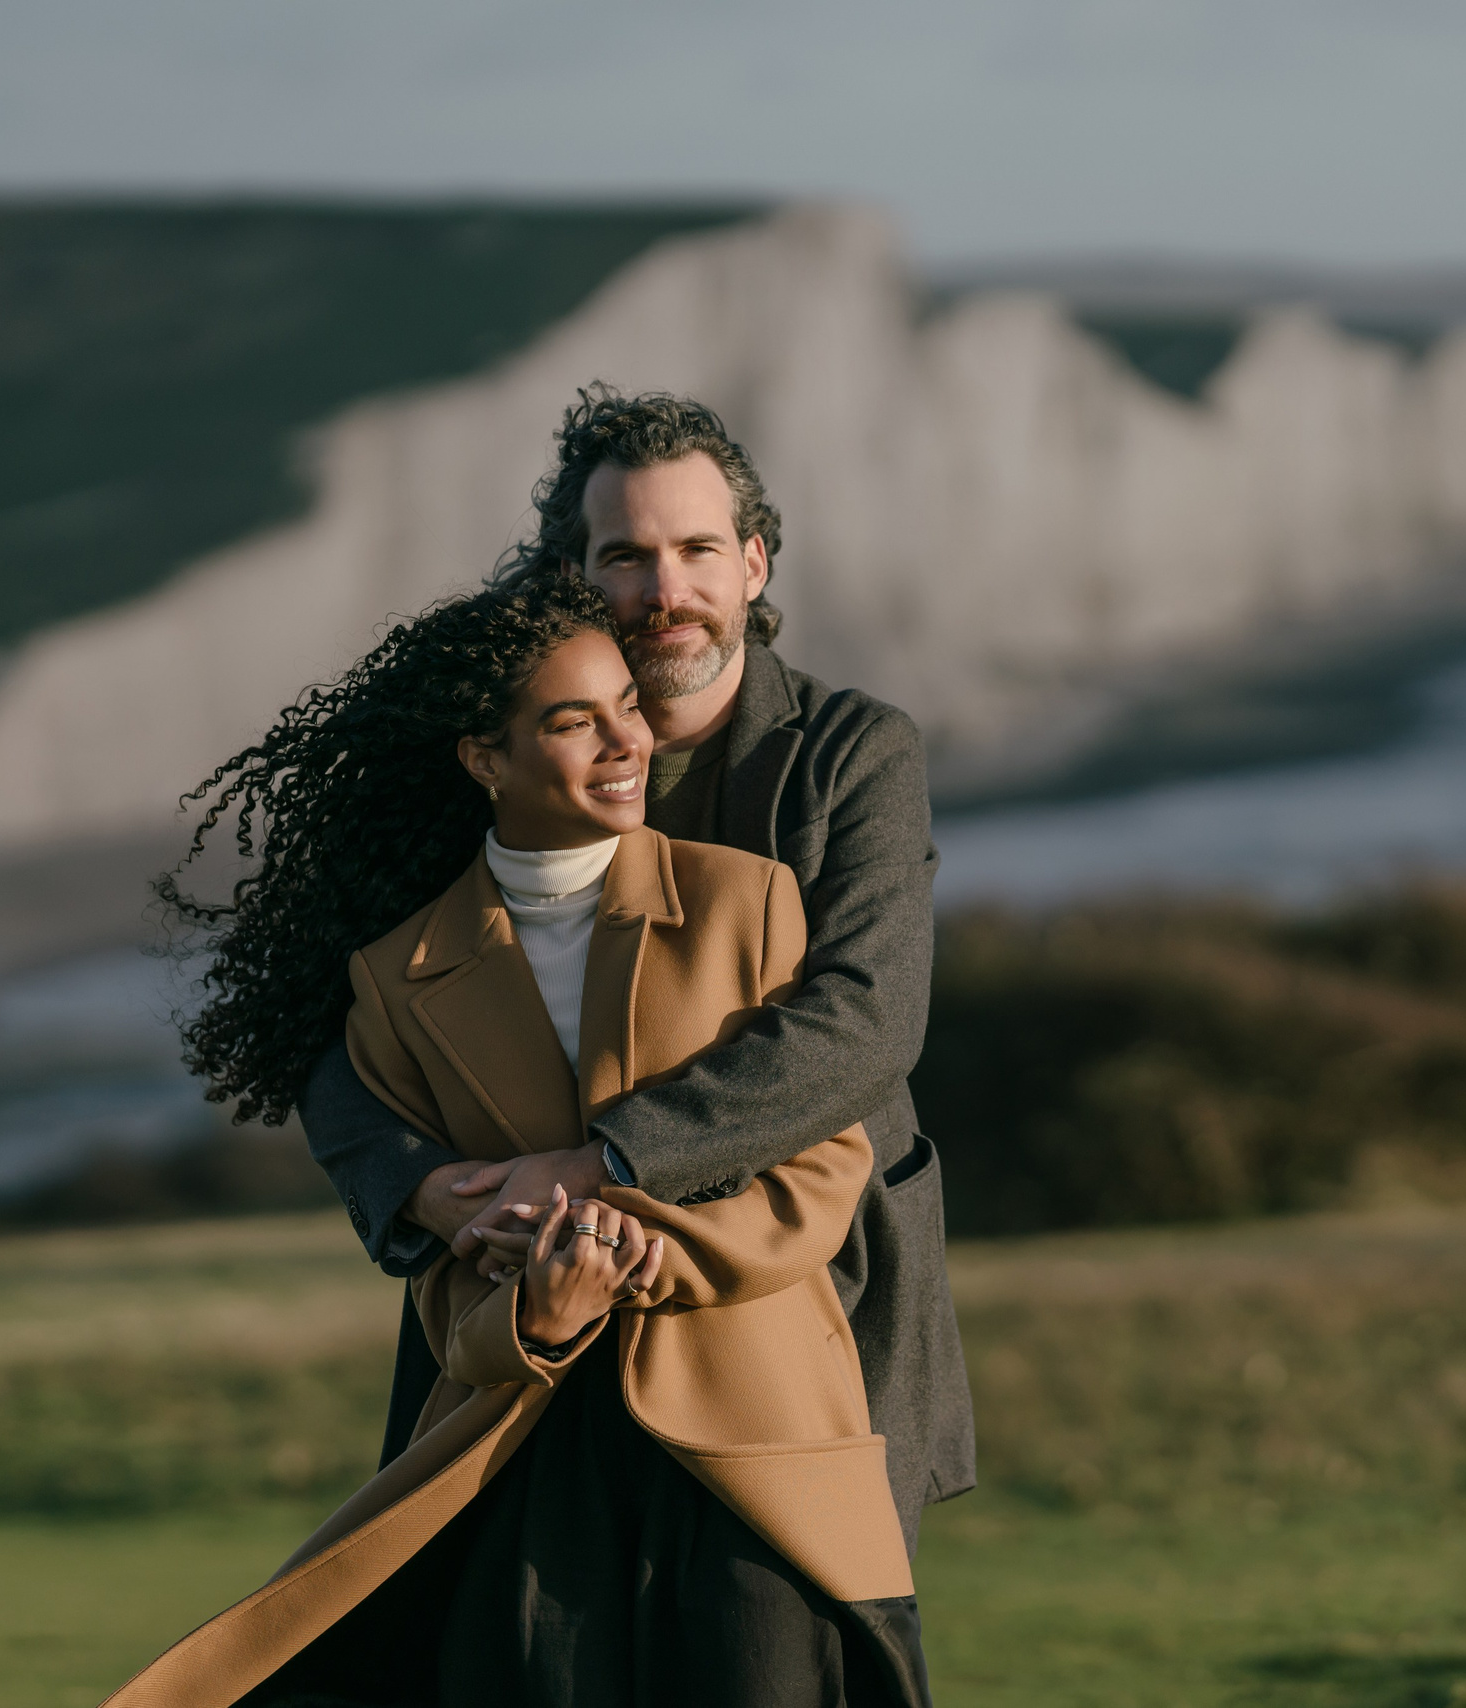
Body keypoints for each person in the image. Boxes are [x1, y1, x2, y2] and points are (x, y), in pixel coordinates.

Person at [116, 576, 928, 1707]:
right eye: (571, 720)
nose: (624, 740)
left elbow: (824, 1167)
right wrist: (534, 1317)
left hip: (755, 1427)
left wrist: (643, 1252)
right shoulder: (392, 984)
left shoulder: (753, 901)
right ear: (482, 759)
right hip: (526, 1454)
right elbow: (443, 1261)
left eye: (626, 709)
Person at [299, 391, 972, 1554]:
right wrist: (419, 1183)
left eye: (698, 549)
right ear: (575, 573)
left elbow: (865, 1022)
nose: (666, 591)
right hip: (519, 1286)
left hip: (809, 1275)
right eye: (627, 556)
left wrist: (604, 1162)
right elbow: (327, 1016)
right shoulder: (490, 753)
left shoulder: (855, 752)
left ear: (754, 562)